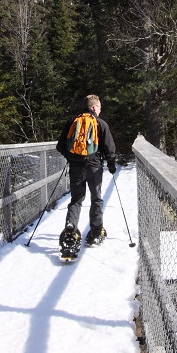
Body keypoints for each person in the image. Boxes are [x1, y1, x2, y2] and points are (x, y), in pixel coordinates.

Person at [55, 94, 117, 255]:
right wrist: (111, 165)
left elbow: (60, 146)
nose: (100, 110)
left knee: (76, 199)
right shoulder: (100, 123)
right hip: (95, 168)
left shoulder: (72, 121)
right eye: (100, 108)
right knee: (96, 198)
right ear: (94, 107)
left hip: (76, 168)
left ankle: (70, 229)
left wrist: (72, 158)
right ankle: (96, 232)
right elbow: (109, 148)